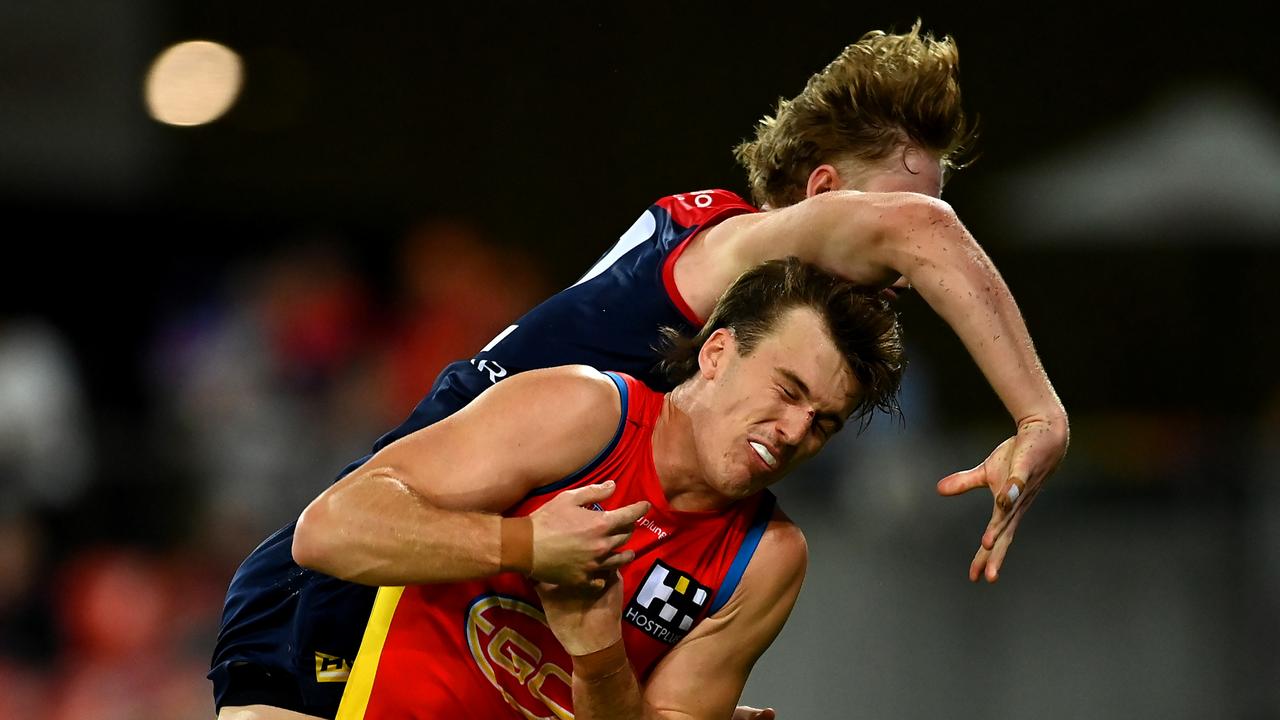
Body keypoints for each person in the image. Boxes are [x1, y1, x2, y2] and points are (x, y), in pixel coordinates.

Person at [211, 21, 1069, 720]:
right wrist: (1039, 418)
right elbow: (923, 231)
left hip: (422, 580)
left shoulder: (720, 311)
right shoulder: (727, 257)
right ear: (821, 194)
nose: (906, 285)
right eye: (889, 248)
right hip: (358, 578)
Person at [305, 258, 905, 719]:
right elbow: (328, 531)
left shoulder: (765, 558)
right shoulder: (583, 413)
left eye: (824, 422)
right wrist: (526, 546)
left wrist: (599, 656)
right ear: (718, 353)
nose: (796, 430)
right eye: (788, 390)